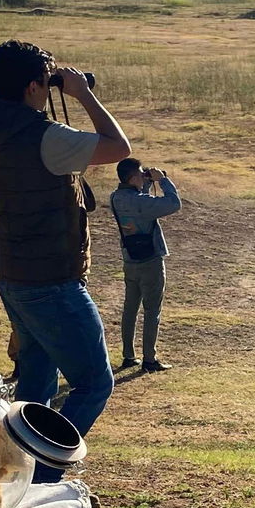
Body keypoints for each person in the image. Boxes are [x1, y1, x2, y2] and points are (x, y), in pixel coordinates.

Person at [0, 40, 131, 483]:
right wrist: (82, 94)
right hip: (51, 279)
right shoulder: (45, 137)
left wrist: (53, 86)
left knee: (35, 389)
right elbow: (118, 147)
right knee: (94, 384)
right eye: (48, 79)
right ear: (33, 85)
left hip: (14, 270)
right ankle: (38, 479)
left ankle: (9, 473)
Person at [111, 158, 181, 372]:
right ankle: (150, 359)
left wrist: (147, 183)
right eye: (140, 174)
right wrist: (164, 181)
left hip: (130, 260)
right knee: (152, 310)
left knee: (130, 308)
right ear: (132, 178)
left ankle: (128, 355)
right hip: (149, 261)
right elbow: (173, 204)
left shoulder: (115, 197)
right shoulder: (140, 201)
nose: (143, 176)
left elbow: (140, 203)